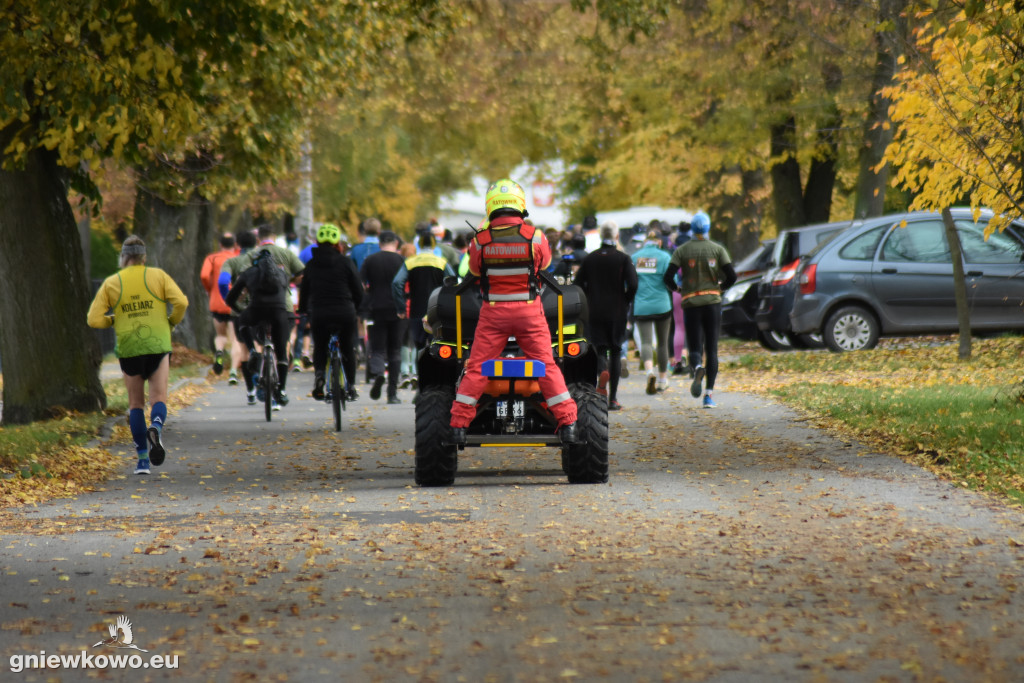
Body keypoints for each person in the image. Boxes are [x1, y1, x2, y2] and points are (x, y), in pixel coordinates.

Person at [449, 178, 578, 444]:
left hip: (493, 314)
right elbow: (545, 264)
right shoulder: (536, 237)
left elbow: (473, 271)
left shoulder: (480, 241)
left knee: (476, 369)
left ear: (491, 206)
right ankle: (568, 424)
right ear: (520, 205)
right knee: (547, 366)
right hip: (529, 313)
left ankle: (458, 426)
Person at [87, 236, 189, 475]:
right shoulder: (158, 276)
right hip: (158, 344)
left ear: (123, 257)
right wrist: (170, 322)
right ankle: (156, 426)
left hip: (130, 347)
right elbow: (181, 303)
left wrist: (113, 320)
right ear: (144, 257)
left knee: (135, 404)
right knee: (159, 398)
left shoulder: (113, 282)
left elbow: (93, 318)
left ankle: (142, 461)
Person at [662, 211, 736, 408]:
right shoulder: (718, 249)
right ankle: (709, 396)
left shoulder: (682, 250)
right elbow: (732, 276)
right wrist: (720, 287)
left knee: (695, 346)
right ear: (708, 227)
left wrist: (678, 289)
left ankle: (696, 368)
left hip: (691, 303)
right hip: (712, 302)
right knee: (712, 348)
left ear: (693, 229)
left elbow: (668, 277)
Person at [225, 226, 305, 407]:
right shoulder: (285, 257)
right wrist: (289, 283)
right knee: (282, 349)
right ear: (274, 237)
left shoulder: (249, 260)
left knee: (244, 324)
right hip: (281, 308)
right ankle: (282, 390)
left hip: (256, 308)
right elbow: (302, 274)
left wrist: (240, 308)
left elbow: (233, 293)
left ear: (258, 238)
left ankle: (253, 351)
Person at [573, 220, 638, 411]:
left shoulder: (590, 259)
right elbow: (633, 284)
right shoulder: (623, 259)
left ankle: (602, 374)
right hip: (617, 310)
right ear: (616, 236)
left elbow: (578, 283)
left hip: (595, 310)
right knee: (616, 350)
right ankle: (614, 399)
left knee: (600, 348)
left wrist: (588, 299)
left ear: (602, 236)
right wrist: (626, 299)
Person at [298, 223, 364, 402]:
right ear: (337, 244)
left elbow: (304, 291)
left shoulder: (311, 264)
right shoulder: (346, 262)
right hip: (345, 312)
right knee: (347, 348)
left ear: (317, 243)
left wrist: (303, 310)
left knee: (320, 346)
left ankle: (319, 374)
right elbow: (358, 289)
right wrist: (360, 308)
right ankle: (350, 385)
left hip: (320, 312)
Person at [391, 230, 455, 382]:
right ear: (434, 244)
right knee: (438, 346)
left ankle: (421, 380)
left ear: (418, 244)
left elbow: (396, 283)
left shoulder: (410, 262)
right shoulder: (441, 262)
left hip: (416, 311)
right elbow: (454, 283)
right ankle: (437, 380)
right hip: (437, 312)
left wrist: (401, 307)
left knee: (419, 347)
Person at [360, 230, 406, 403]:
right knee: (395, 351)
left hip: (376, 308)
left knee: (377, 348)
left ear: (380, 243)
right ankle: (392, 394)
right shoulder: (401, 260)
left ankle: (379, 373)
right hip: (397, 309)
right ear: (395, 243)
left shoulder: (370, 260)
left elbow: (363, 284)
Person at [631, 230, 674, 394]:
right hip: (662, 305)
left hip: (642, 305)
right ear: (659, 242)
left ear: (645, 242)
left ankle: (650, 372)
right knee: (662, 343)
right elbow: (672, 281)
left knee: (646, 342)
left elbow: (631, 281)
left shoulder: (635, 257)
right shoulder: (665, 257)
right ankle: (663, 380)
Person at [200, 232, 240, 376]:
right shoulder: (238, 258)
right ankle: (234, 371)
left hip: (217, 302)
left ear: (221, 244)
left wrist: (209, 288)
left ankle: (219, 352)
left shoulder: (212, 258)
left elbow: (204, 275)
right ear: (235, 245)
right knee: (236, 338)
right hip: (235, 303)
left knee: (220, 335)